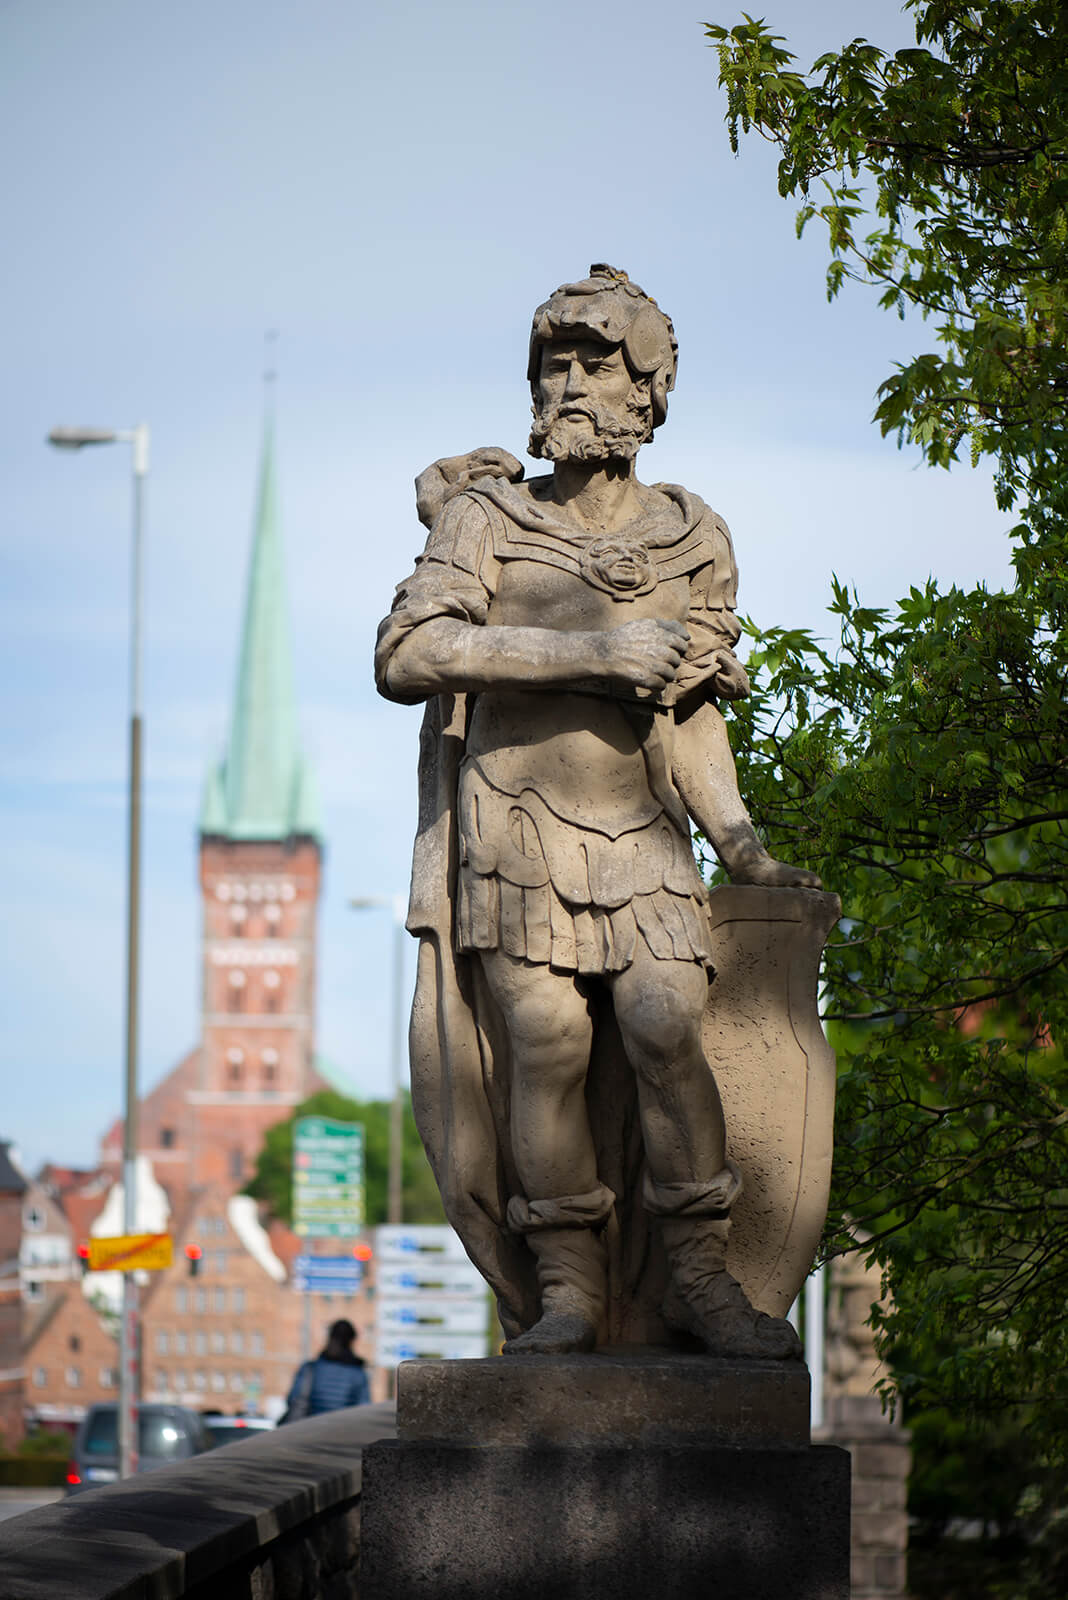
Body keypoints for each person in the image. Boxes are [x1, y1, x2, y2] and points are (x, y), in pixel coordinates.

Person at [375, 265, 820, 1360]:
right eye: (553, 365)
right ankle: (568, 1287)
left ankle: (703, 1279)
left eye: (594, 364)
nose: (568, 384)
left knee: (669, 1027)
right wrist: (589, 655)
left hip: (642, 834)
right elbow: (409, 652)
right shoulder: (491, 518)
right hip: (517, 824)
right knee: (546, 1043)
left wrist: (746, 849)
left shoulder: (692, 535)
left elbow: (695, 718)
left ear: (649, 392)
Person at [283, 1318, 369, 1420]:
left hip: (310, 1429)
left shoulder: (311, 1369)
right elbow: (363, 1409)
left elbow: (294, 1400)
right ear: (351, 1343)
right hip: (343, 1431)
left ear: (330, 1338)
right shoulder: (358, 1374)